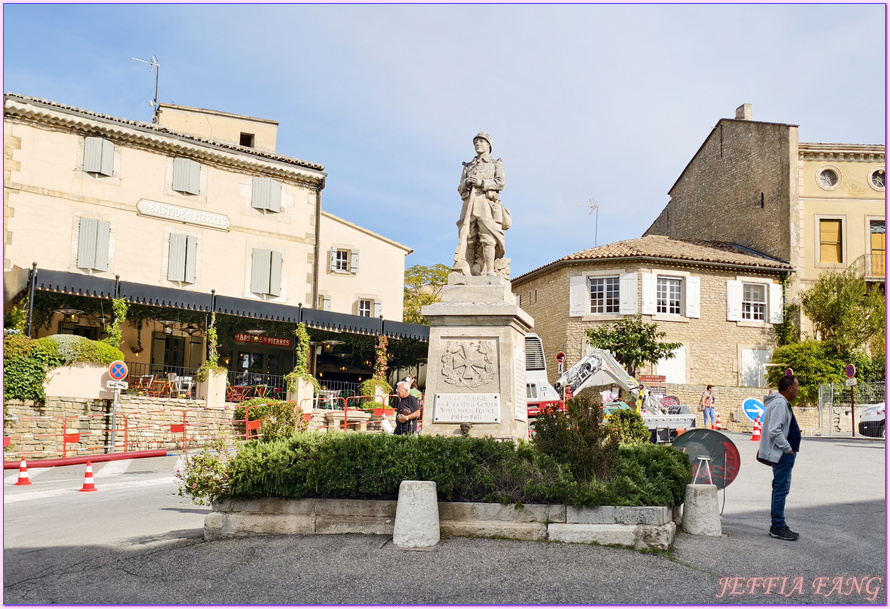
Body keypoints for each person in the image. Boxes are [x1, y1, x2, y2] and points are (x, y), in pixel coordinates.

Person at [453, 132, 511, 277]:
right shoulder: (468, 166)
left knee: (488, 237)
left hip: (486, 205)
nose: (477, 144)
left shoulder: (495, 164)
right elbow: (460, 188)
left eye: (481, 141)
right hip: (468, 205)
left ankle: (490, 270)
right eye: (475, 142)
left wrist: (482, 183)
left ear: (488, 145)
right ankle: (467, 271)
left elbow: (501, 183)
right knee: (468, 237)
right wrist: (467, 183)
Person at [757, 374, 802, 541]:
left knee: (780, 488)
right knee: (781, 489)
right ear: (790, 388)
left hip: (783, 453)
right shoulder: (780, 403)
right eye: (797, 386)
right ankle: (778, 526)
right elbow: (774, 430)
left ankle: (778, 524)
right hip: (782, 454)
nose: (798, 389)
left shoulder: (778, 402)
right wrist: (788, 449)